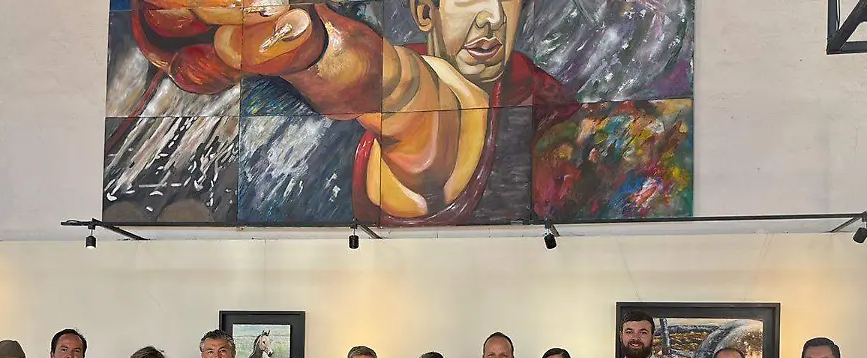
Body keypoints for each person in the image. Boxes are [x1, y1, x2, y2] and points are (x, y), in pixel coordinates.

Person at [122, 0, 574, 226]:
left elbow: (408, 94)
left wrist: (308, 47)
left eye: (507, 0)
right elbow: (398, 82)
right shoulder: (400, 72)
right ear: (424, 11)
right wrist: (311, 48)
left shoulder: (546, 100)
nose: (493, 18)